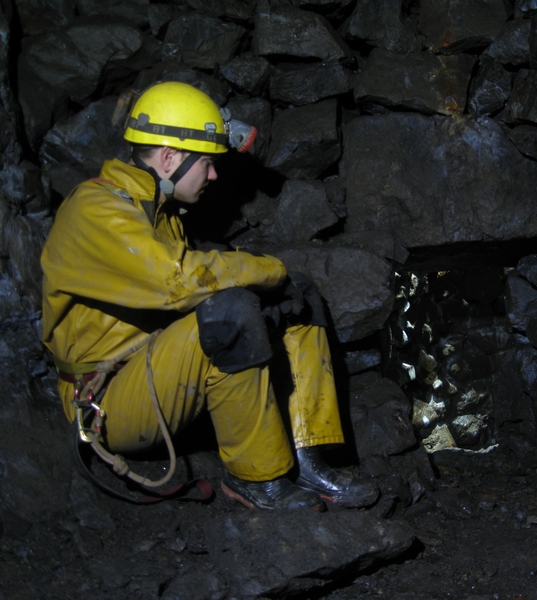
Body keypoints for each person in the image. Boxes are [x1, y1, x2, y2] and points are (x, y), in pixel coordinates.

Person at [40, 81, 378, 511]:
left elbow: (196, 273)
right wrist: (268, 270)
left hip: (152, 365)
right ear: (169, 158)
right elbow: (176, 281)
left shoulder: (159, 213)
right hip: (107, 399)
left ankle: (306, 455)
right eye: (207, 163)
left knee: (298, 293)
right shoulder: (95, 209)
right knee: (232, 309)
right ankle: (256, 477)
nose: (214, 175)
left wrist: (276, 283)